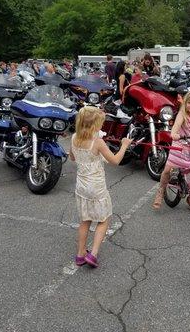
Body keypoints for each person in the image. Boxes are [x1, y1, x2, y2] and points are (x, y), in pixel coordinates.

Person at [69, 107, 132, 268]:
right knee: (103, 219)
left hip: (82, 185)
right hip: (96, 186)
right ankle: (93, 254)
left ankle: (80, 253)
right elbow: (115, 161)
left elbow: (72, 157)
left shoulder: (75, 137)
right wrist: (124, 145)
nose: (102, 127)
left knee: (85, 220)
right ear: (94, 125)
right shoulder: (97, 142)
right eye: (100, 124)